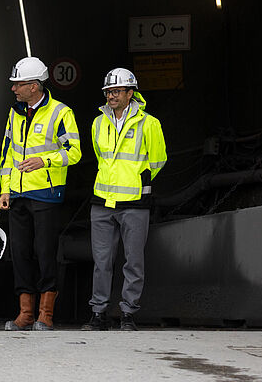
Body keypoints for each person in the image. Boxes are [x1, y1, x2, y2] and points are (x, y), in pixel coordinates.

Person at [0, 57, 82, 331]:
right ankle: (25, 313)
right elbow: (7, 153)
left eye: (18, 84)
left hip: (46, 194)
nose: (13, 89)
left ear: (34, 86)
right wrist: (5, 188)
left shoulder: (61, 113)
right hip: (19, 195)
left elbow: (74, 152)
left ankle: (46, 313)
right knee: (19, 253)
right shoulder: (15, 113)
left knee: (45, 252)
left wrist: (44, 161)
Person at [81, 68, 167, 331]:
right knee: (102, 261)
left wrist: (138, 179)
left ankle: (128, 313)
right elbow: (100, 156)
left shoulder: (149, 123)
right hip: (103, 201)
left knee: (134, 260)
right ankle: (99, 313)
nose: (111, 96)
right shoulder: (98, 123)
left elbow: (158, 159)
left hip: (134, 202)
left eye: (116, 91)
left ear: (131, 92)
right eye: (108, 91)